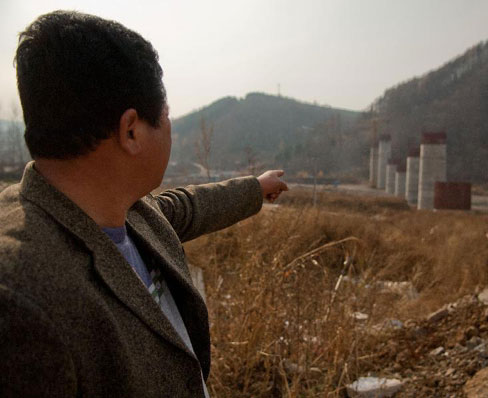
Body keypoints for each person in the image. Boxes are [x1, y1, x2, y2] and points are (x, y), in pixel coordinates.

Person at [0, 10, 287, 398]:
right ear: (131, 130)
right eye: (166, 116)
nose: (170, 129)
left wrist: (255, 188)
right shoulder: (24, 298)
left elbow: (186, 208)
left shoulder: (124, 211)